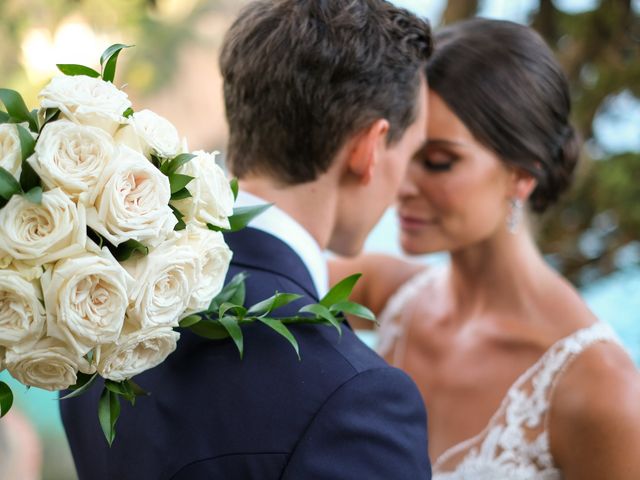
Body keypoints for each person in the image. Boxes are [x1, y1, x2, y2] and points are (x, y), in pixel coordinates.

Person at [61, 1, 433, 479]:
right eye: (414, 153)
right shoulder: (357, 398)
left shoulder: (95, 306)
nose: (406, 184)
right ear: (370, 147)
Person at [331, 18, 640, 479]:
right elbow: (249, 268)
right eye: (401, 147)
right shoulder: (378, 290)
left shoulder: (602, 392)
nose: (403, 184)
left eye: (438, 161)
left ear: (523, 172)